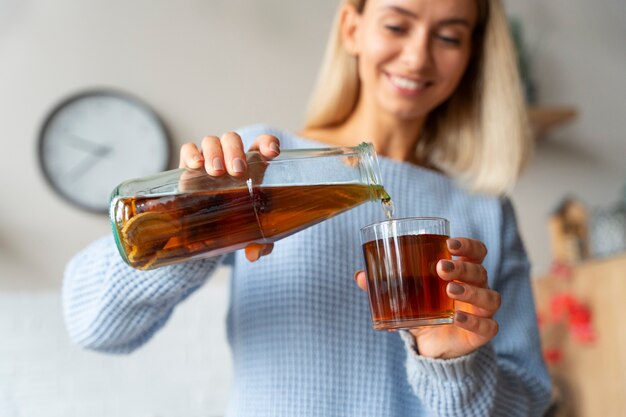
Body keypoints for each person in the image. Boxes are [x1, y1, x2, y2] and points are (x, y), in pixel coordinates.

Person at [63, 0, 552, 415]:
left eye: (448, 37)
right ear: (352, 28)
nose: (418, 56)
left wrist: (454, 366)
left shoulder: (484, 208)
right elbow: (92, 324)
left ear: (471, 54)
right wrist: (187, 222)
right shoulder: (258, 163)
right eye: (397, 25)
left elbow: (528, 400)